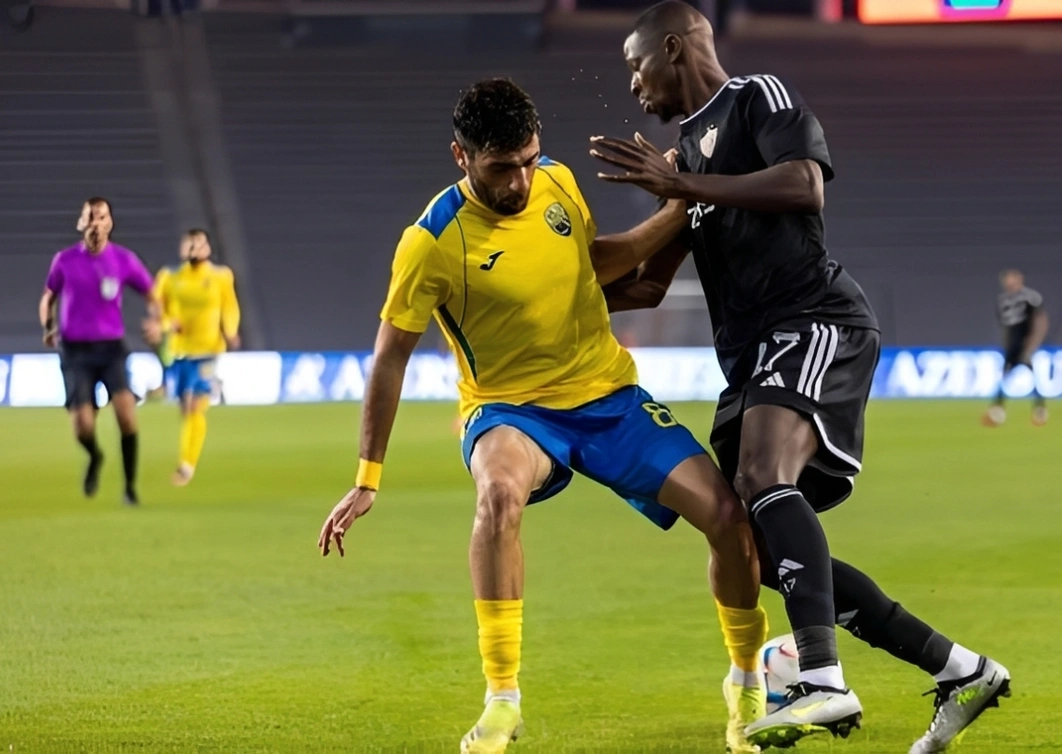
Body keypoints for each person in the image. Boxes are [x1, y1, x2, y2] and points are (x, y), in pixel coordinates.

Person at [591, 3, 1010, 752]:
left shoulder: (757, 97)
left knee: (762, 474)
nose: (633, 84)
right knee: (752, 541)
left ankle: (821, 678)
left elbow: (802, 184)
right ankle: (961, 669)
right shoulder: (683, 159)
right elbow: (649, 285)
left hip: (812, 318)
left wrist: (688, 186)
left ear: (674, 47)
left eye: (635, 64)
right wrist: (539, 298)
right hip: (751, 356)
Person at [316, 79, 770, 754]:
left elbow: (592, 265)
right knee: (498, 496)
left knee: (729, 519)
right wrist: (366, 477)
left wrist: (678, 208)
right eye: (503, 168)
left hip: (608, 395)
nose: (522, 181)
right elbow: (389, 358)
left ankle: (747, 683)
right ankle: (502, 701)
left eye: (529, 159)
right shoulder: (431, 242)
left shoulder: (557, 181)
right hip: (511, 410)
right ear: (461, 157)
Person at [39, 197, 156, 506]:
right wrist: (48, 325)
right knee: (83, 427)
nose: (95, 224)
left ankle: (129, 489)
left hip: (111, 349)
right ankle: (94, 456)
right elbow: (48, 296)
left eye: (101, 217)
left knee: (126, 415)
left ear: (110, 222)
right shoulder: (64, 260)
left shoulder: (123, 259)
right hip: (75, 351)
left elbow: (152, 293)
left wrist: (158, 321)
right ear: (81, 223)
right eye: (90, 217)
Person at [147, 228, 240, 486]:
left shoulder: (221, 276)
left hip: (208, 351)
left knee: (194, 406)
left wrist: (231, 331)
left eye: (200, 244)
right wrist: (165, 324)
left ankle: (187, 465)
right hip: (179, 352)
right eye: (190, 244)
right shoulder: (169, 278)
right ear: (182, 249)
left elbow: (230, 306)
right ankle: (187, 455)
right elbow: (157, 307)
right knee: (184, 407)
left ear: (207, 248)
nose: (195, 249)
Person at [984, 269, 1048, 427]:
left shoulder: (1030, 297)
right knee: (1005, 375)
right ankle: (999, 409)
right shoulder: (1002, 300)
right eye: (1007, 280)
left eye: (1012, 279)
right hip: (1011, 345)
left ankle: (1039, 409)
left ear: (1019, 279)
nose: (1009, 282)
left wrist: (1033, 343)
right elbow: (1005, 325)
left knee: (1031, 376)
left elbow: (1040, 321)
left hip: (1025, 345)